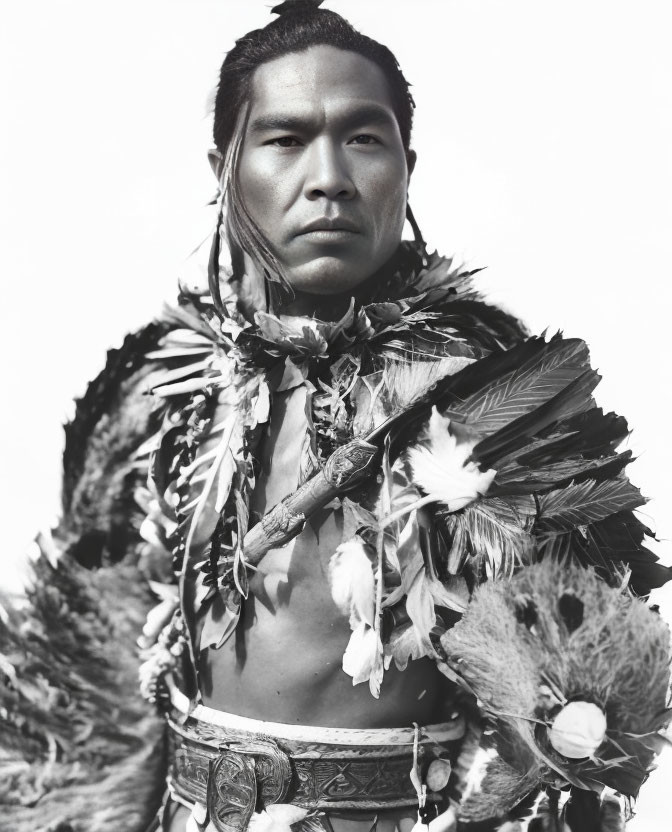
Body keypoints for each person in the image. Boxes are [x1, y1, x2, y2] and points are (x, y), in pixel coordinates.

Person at [1, 3, 669, 832]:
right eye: (284, 139)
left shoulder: (501, 409)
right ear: (224, 166)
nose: (328, 178)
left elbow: (589, 718)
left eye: (363, 138)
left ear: (406, 165)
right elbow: (91, 662)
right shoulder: (165, 389)